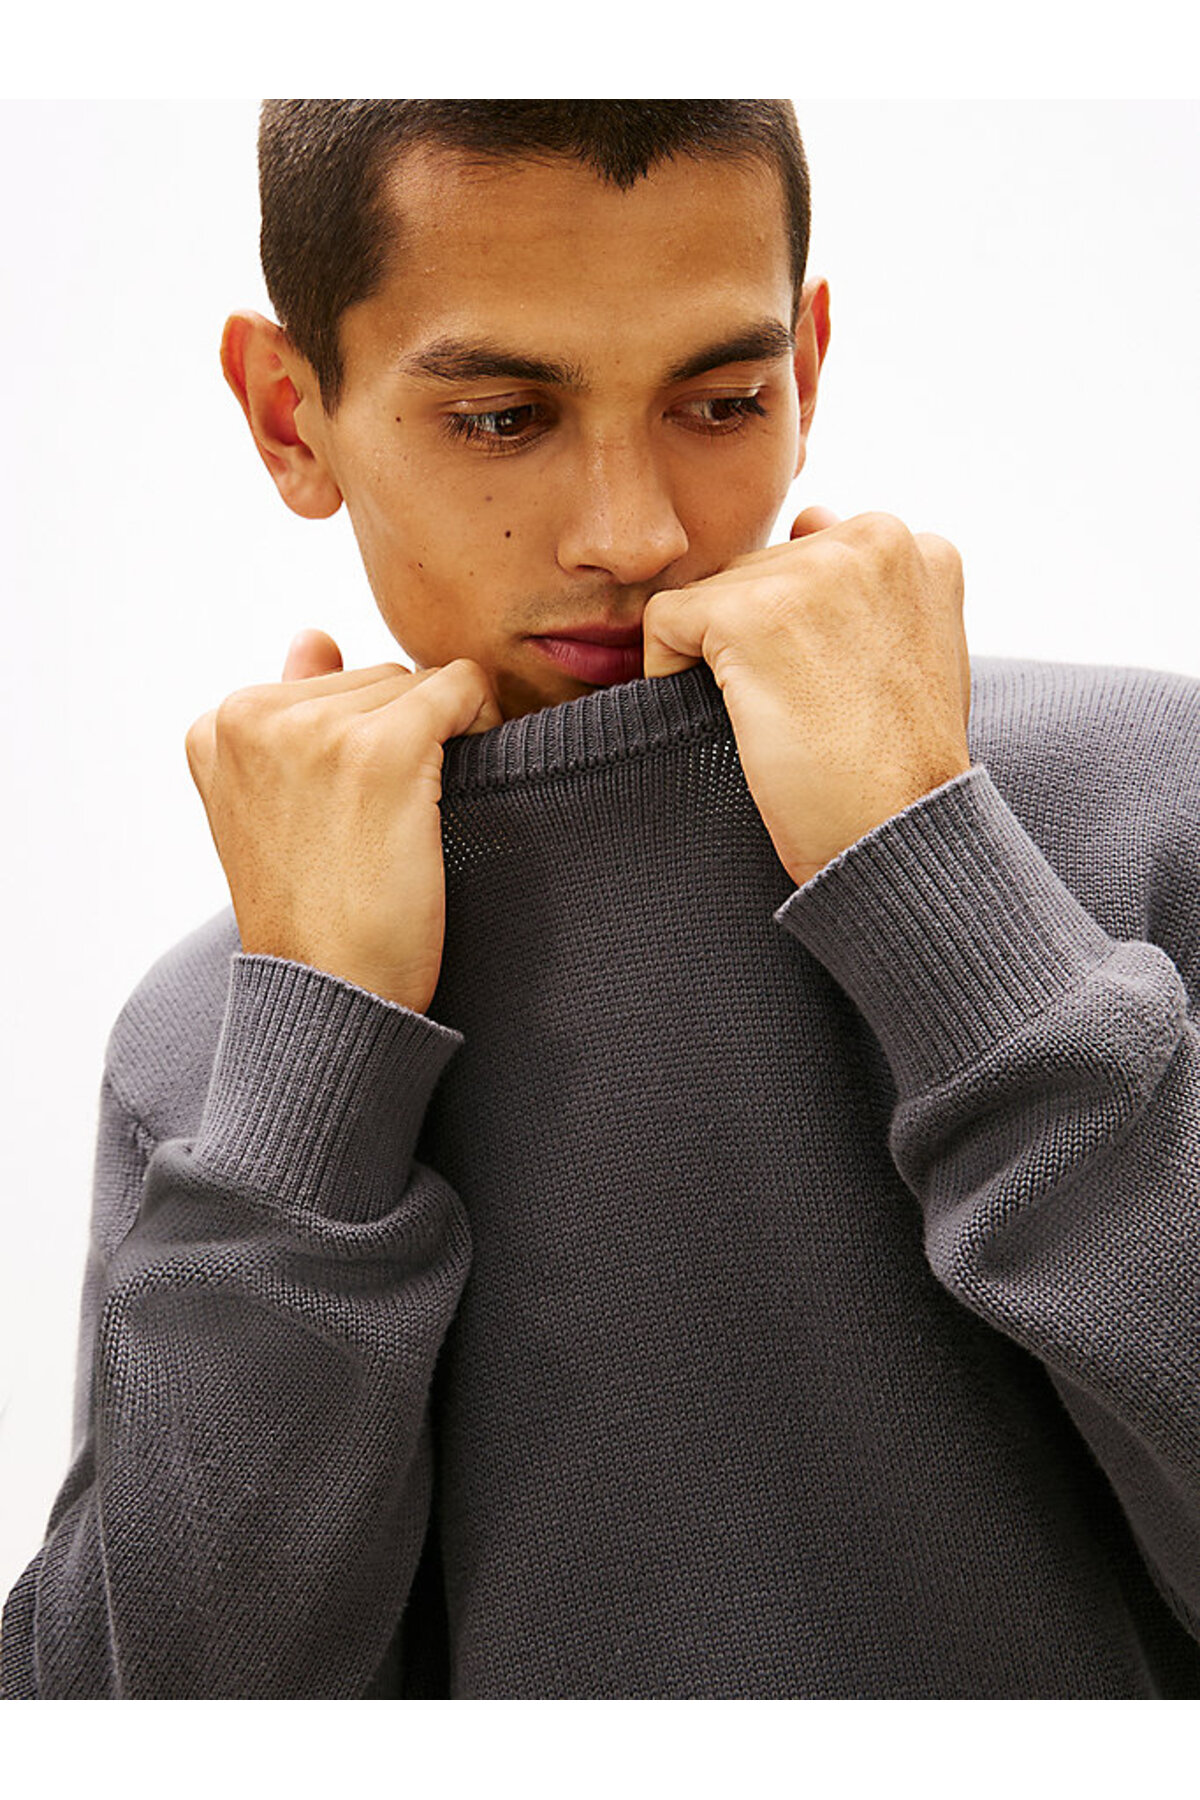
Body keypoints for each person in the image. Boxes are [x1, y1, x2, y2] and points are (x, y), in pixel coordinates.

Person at [3, 98, 1199, 1700]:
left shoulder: (1142, 803)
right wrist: (307, 1062)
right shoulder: (213, 1032)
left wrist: (943, 885)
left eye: (722, 399)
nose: (635, 535)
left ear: (808, 364)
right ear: (292, 417)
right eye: (504, 417)